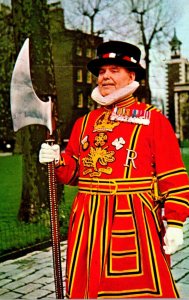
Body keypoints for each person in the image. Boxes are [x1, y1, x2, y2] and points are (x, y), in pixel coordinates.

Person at [39, 41, 189, 298]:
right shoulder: (84, 122)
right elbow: (73, 173)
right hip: (87, 219)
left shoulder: (152, 119)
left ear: (131, 75)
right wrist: (57, 160)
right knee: (87, 287)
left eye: (114, 70)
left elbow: (173, 176)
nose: (106, 76)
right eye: (102, 71)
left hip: (132, 217)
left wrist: (175, 222)